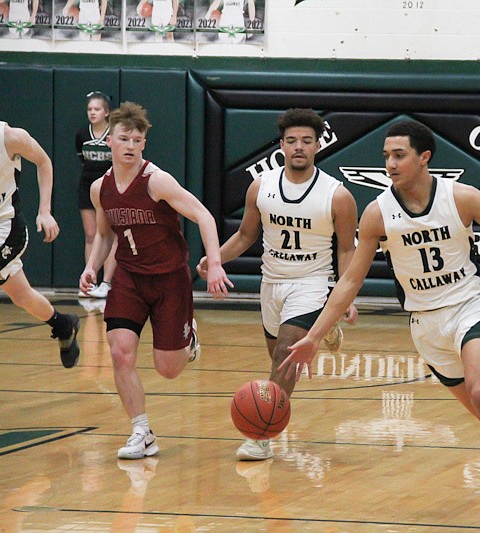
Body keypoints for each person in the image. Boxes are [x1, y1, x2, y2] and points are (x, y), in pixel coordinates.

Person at [281, 120, 480, 532]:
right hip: (425, 324)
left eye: (399, 155)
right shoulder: (377, 213)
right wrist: (314, 336)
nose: (390, 164)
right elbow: (350, 281)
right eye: (386, 156)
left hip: (468, 307)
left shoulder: (461, 197)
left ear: (424, 157)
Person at [197, 108, 359, 462]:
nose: (298, 147)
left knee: (286, 354)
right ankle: (326, 331)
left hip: (312, 283)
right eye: (291, 141)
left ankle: (261, 434)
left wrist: (345, 295)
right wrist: (215, 258)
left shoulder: (338, 196)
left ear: (318, 145)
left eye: (306, 141)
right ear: (281, 145)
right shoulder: (262, 185)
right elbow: (244, 235)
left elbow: (347, 249)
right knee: (278, 355)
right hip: (272, 283)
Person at [79, 101, 232, 460]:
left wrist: (217, 263)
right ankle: (141, 431)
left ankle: (187, 336)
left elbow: (204, 216)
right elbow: (104, 235)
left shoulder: (156, 181)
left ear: (144, 143)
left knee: (169, 370)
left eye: (137, 139)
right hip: (130, 278)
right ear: (110, 142)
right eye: (123, 138)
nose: (130, 145)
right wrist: (91, 267)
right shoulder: (100, 188)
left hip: (168, 280)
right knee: (120, 352)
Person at [0, 74, 81, 369]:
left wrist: (45, 210)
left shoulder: (9, 136)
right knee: (22, 295)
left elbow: (44, 161)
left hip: (6, 228)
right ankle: (63, 325)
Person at [75, 91, 116, 299]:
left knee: (109, 234)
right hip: (87, 185)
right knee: (90, 235)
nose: (92, 112)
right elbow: (82, 159)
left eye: (97, 109)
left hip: (109, 186)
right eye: (90, 109)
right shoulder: (82, 134)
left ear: (106, 112)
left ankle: (107, 283)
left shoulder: (114, 133)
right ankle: (90, 281)